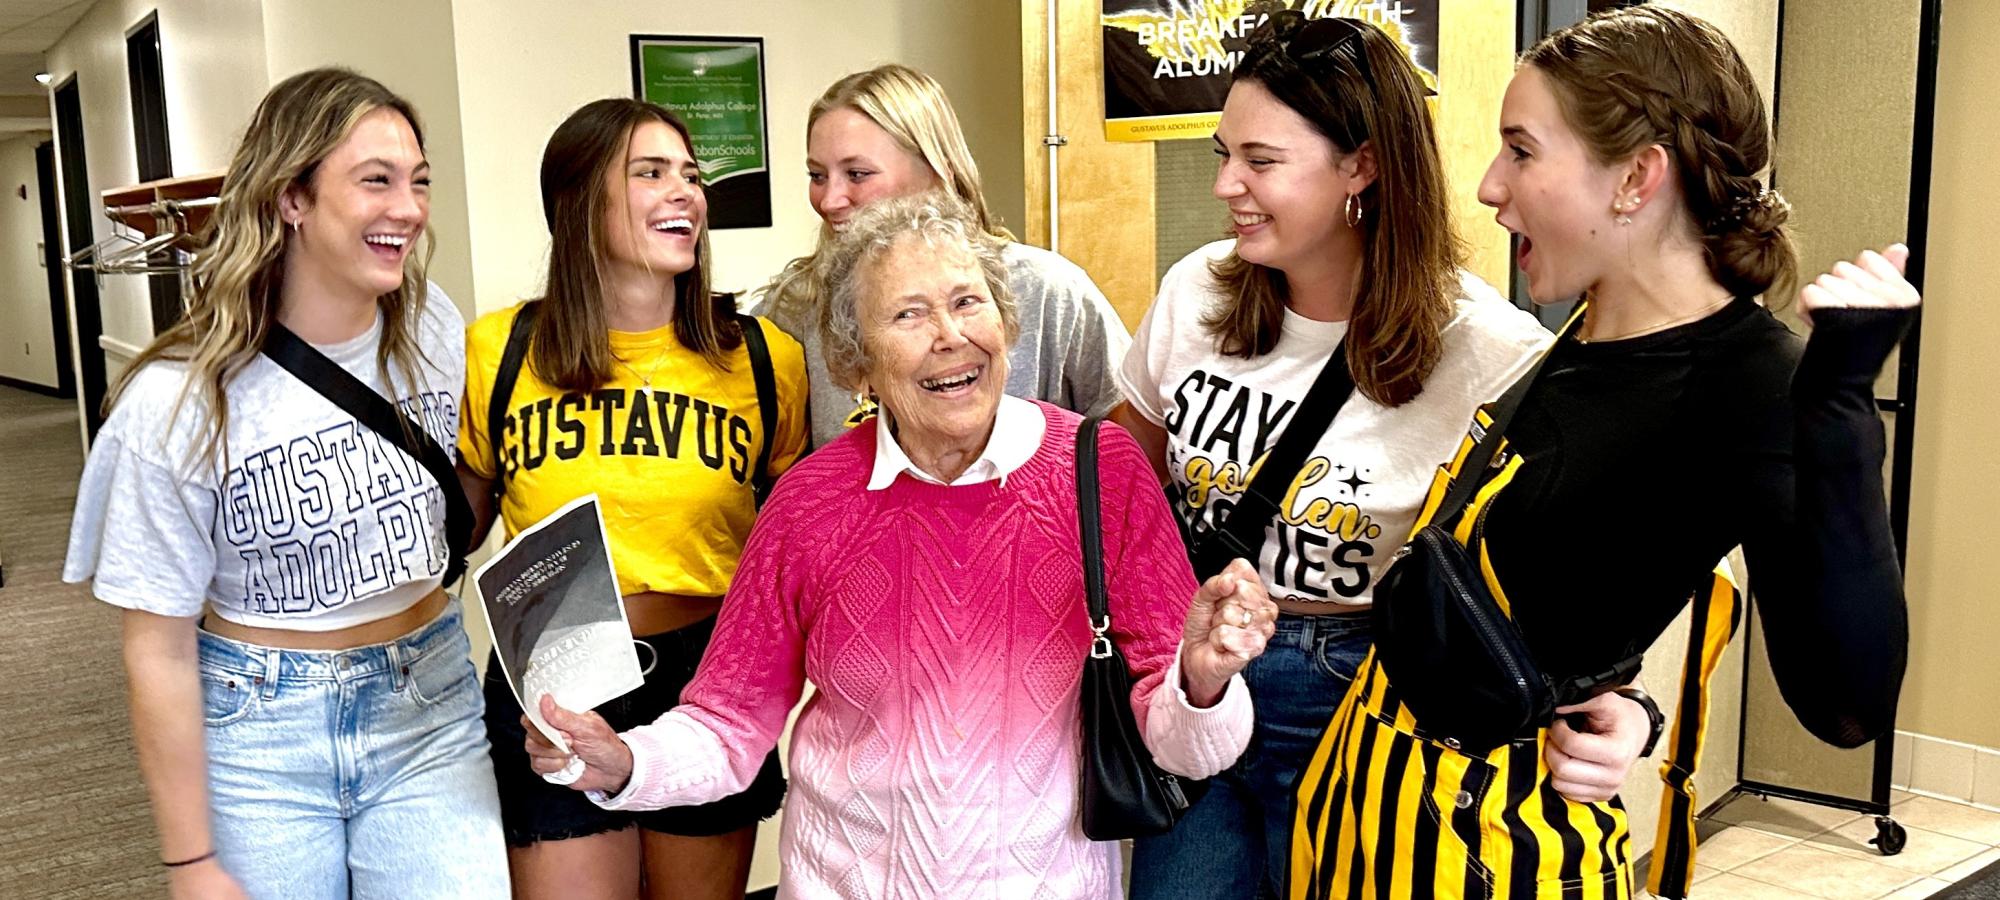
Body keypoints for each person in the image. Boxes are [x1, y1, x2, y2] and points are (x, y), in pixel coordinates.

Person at [1290, 8, 1916, 898]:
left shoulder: (1756, 386)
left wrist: (1843, 411)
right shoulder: (1571, 336)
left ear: (1636, 177)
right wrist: (1631, 704)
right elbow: (1594, 586)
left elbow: (1846, 705)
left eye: (1522, 150)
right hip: (1365, 820)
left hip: (1496, 857)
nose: (1488, 187)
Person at [519, 193, 1277, 899]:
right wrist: (625, 763)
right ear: (858, 363)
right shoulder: (810, 502)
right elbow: (729, 722)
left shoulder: (1100, 471)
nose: (950, 336)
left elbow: (1186, 749)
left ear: (1005, 322)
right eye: (908, 315)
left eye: (966, 302)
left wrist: (1202, 684)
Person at [1112, 15, 1651, 899]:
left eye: (1261, 160)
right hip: (1196, 674)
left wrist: (1627, 707)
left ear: (1361, 165)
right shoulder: (1197, 290)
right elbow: (1123, 479)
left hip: (1359, 692)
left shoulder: (1490, 353)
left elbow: (1574, 575)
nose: (1225, 185)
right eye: (1223, 153)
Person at [63, 68, 507, 899]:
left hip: (429, 701)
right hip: (259, 729)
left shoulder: (436, 329)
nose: (408, 209)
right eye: (375, 180)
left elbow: (469, 486)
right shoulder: (180, 400)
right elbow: (155, 647)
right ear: (291, 197)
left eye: (417, 182)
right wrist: (190, 861)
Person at [456, 99, 809, 900]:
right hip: (555, 660)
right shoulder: (500, 349)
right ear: (579, 204)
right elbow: (458, 522)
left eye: (690, 174)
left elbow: (795, 530)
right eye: (650, 173)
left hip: (706, 668)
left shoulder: (761, 359)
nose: (684, 191)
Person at [759, 63, 1130, 446]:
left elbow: (1128, 443)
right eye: (818, 176)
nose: (830, 200)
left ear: (939, 173)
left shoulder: (1048, 291)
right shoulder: (794, 306)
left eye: (857, 174)